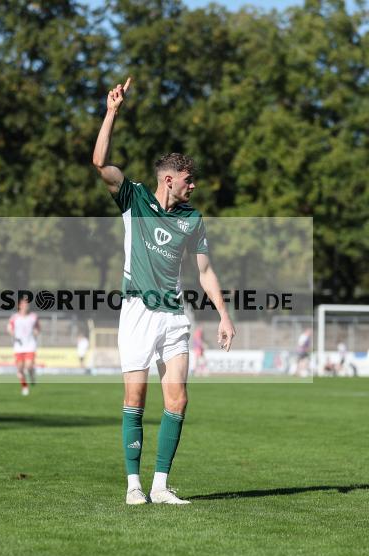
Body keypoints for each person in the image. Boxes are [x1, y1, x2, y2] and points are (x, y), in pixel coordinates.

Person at [92, 77, 236, 506]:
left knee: (178, 397)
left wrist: (224, 314)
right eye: (188, 180)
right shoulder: (133, 198)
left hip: (174, 314)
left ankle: (160, 484)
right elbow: (100, 164)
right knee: (135, 396)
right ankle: (134, 486)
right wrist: (111, 112)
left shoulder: (193, 220)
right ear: (169, 179)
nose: (193, 186)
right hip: (137, 311)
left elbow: (206, 272)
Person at [7, 297, 39, 396]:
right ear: (19, 306)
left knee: (29, 366)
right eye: (24, 304)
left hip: (30, 345)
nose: (26, 306)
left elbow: (37, 328)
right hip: (19, 347)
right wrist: (13, 335)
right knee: (20, 369)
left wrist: (36, 332)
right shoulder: (14, 317)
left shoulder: (33, 316)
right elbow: (9, 328)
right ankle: (24, 387)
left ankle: (32, 376)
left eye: (27, 304)